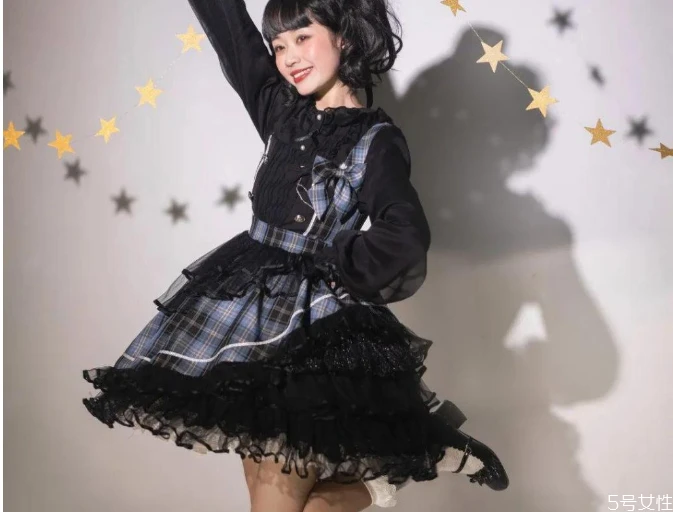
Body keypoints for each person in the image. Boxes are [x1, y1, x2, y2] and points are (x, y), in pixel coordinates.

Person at [81, 0, 509, 510]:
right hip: (249, 318)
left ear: (343, 36)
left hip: (314, 330)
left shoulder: (376, 141)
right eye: (279, 45)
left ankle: (410, 462)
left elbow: (405, 233)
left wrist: (339, 257)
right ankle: (405, 469)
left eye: (303, 38)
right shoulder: (278, 108)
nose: (288, 57)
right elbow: (232, 35)